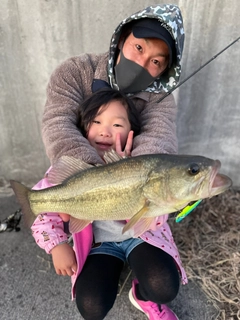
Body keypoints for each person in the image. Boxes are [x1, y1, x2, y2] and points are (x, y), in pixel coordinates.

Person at [33, 4, 187, 320]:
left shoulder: (159, 99)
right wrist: (97, 172)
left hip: (139, 227)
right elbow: (57, 121)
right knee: (91, 305)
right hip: (93, 232)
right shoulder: (74, 70)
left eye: (156, 61)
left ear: (164, 70)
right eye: (138, 47)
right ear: (121, 38)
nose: (142, 62)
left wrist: (133, 171)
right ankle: (109, 267)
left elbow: (160, 142)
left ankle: (143, 293)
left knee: (163, 284)